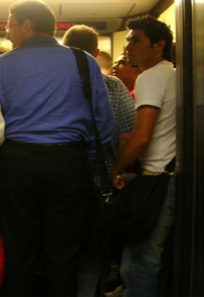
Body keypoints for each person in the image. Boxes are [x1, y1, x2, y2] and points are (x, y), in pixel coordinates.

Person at [0, 1, 115, 296]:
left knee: (20, 251)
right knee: (65, 253)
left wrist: (4, 160)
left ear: (27, 25)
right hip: (69, 162)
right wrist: (85, 158)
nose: (8, 34)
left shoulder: (2, 65)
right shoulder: (84, 61)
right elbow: (103, 122)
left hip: (17, 162)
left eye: (11, 25)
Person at [63, 24, 136, 297]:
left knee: (61, 246)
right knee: (95, 247)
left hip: (59, 176)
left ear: (64, 48)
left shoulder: (54, 82)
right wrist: (119, 169)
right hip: (101, 180)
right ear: (96, 52)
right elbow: (127, 137)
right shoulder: (113, 85)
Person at [111, 15, 176, 297]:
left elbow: (141, 137)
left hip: (157, 176)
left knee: (141, 258)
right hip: (169, 173)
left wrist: (116, 168)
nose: (128, 47)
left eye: (136, 40)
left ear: (159, 45)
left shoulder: (151, 76)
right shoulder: (172, 72)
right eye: (128, 41)